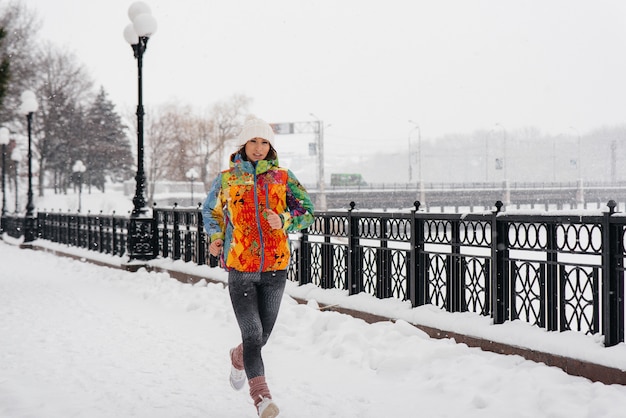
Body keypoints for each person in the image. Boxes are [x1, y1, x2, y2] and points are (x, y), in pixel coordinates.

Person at [202, 116, 315, 418]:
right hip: (241, 267)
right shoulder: (227, 178)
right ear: (243, 144)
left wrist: (286, 220)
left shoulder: (282, 177)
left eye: (264, 142)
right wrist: (215, 237)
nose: (259, 147)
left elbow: (307, 210)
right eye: (253, 141)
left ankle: (238, 357)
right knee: (252, 334)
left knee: (261, 337)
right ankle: (262, 398)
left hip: (276, 267)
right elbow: (211, 211)